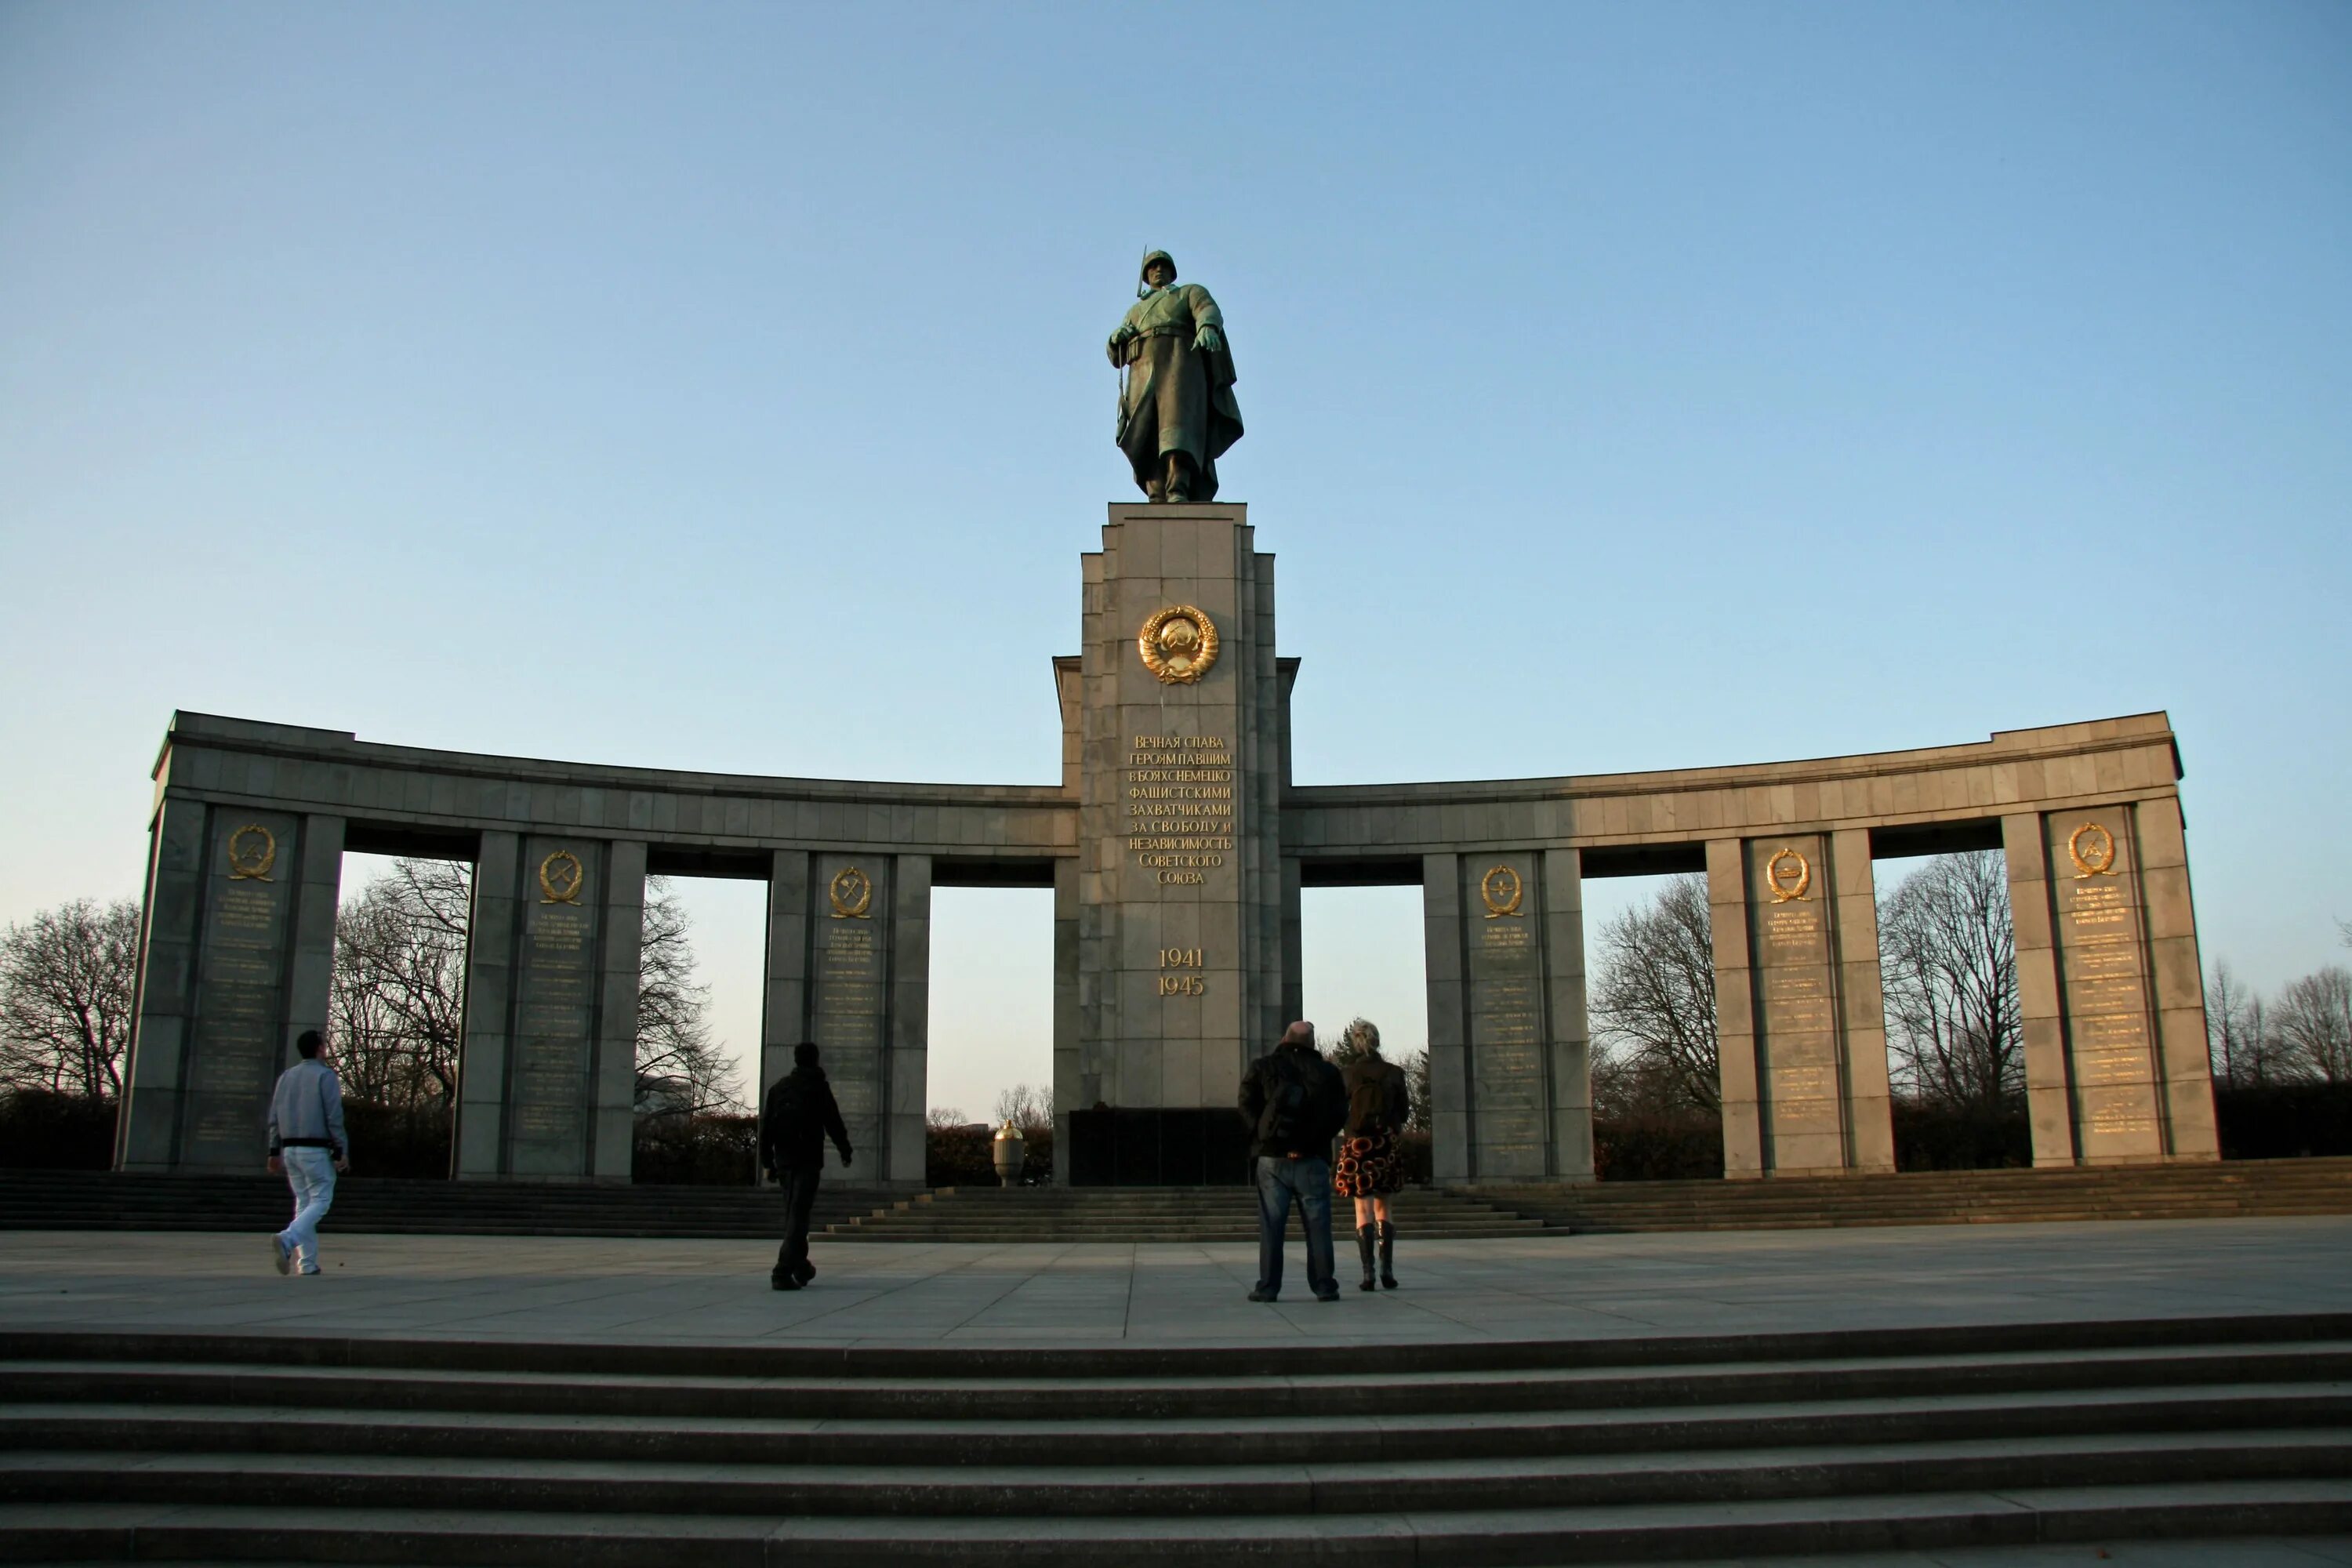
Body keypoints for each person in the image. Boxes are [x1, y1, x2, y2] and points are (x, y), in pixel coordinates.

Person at [1106, 249, 1243, 502]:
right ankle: (1156, 492)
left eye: (1163, 266)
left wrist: (1206, 327)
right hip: (1142, 372)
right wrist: (1115, 340)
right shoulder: (1136, 311)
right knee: (1146, 435)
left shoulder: (1188, 292)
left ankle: (1177, 487)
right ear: (1146, 276)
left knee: (1177, 430)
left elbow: (1207, 309)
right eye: (1152, 267)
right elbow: (1117, 357)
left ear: (1171, 272)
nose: (1158, 270)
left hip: (1179, 365)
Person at [1236, 1020, 1348, 1303]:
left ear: (1284, 1038)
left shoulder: (1262, 1067)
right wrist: (1312, 1143)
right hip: (1312, 1159)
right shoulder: (1328, 1072)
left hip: (1272, 1160)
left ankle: (1268, 1287)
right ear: (1312, 1043)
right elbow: (1339, 1114)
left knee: (1272, 1225)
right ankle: (1325, 1286)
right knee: (1318, 1224)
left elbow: (1246, 1105)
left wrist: (1263, 1139)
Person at [760, 1041, 853, 1291]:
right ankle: (782, 1271)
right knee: (798, 1214)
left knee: (794, 1211)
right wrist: (845, 1150)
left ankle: (801, 1266)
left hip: (784, 1160)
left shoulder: (779, 1088)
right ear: (816, 1059)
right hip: (808, 1159)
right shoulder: (817, 1088)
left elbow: (766, 1128)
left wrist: (768, 1161)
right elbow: (833, 1121)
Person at [1334, 1018, 1410, 1291]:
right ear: (1378, 1041)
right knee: (1384, 1207)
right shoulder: (1394, 1073)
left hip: (1357, 1144)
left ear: (1356, 1042)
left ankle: (1368, 1273)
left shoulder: (1347, 1074)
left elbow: (1338, 1110)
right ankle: (1387, 1270)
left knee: (1362, 1209)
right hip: (1385, 1143)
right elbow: (1404, 1112)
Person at [266, 1029, 348, 1277]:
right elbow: (334, 1117)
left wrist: (273, 1150)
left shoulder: (286, 1077)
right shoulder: (325, 1076)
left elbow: (274, 1118)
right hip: (315, 1148)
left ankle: (308, 1263)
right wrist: (341, 1150)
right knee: (321, 1200)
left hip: (290, 1149)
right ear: (320, 1048)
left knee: (303, 1204)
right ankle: (288, 1240)